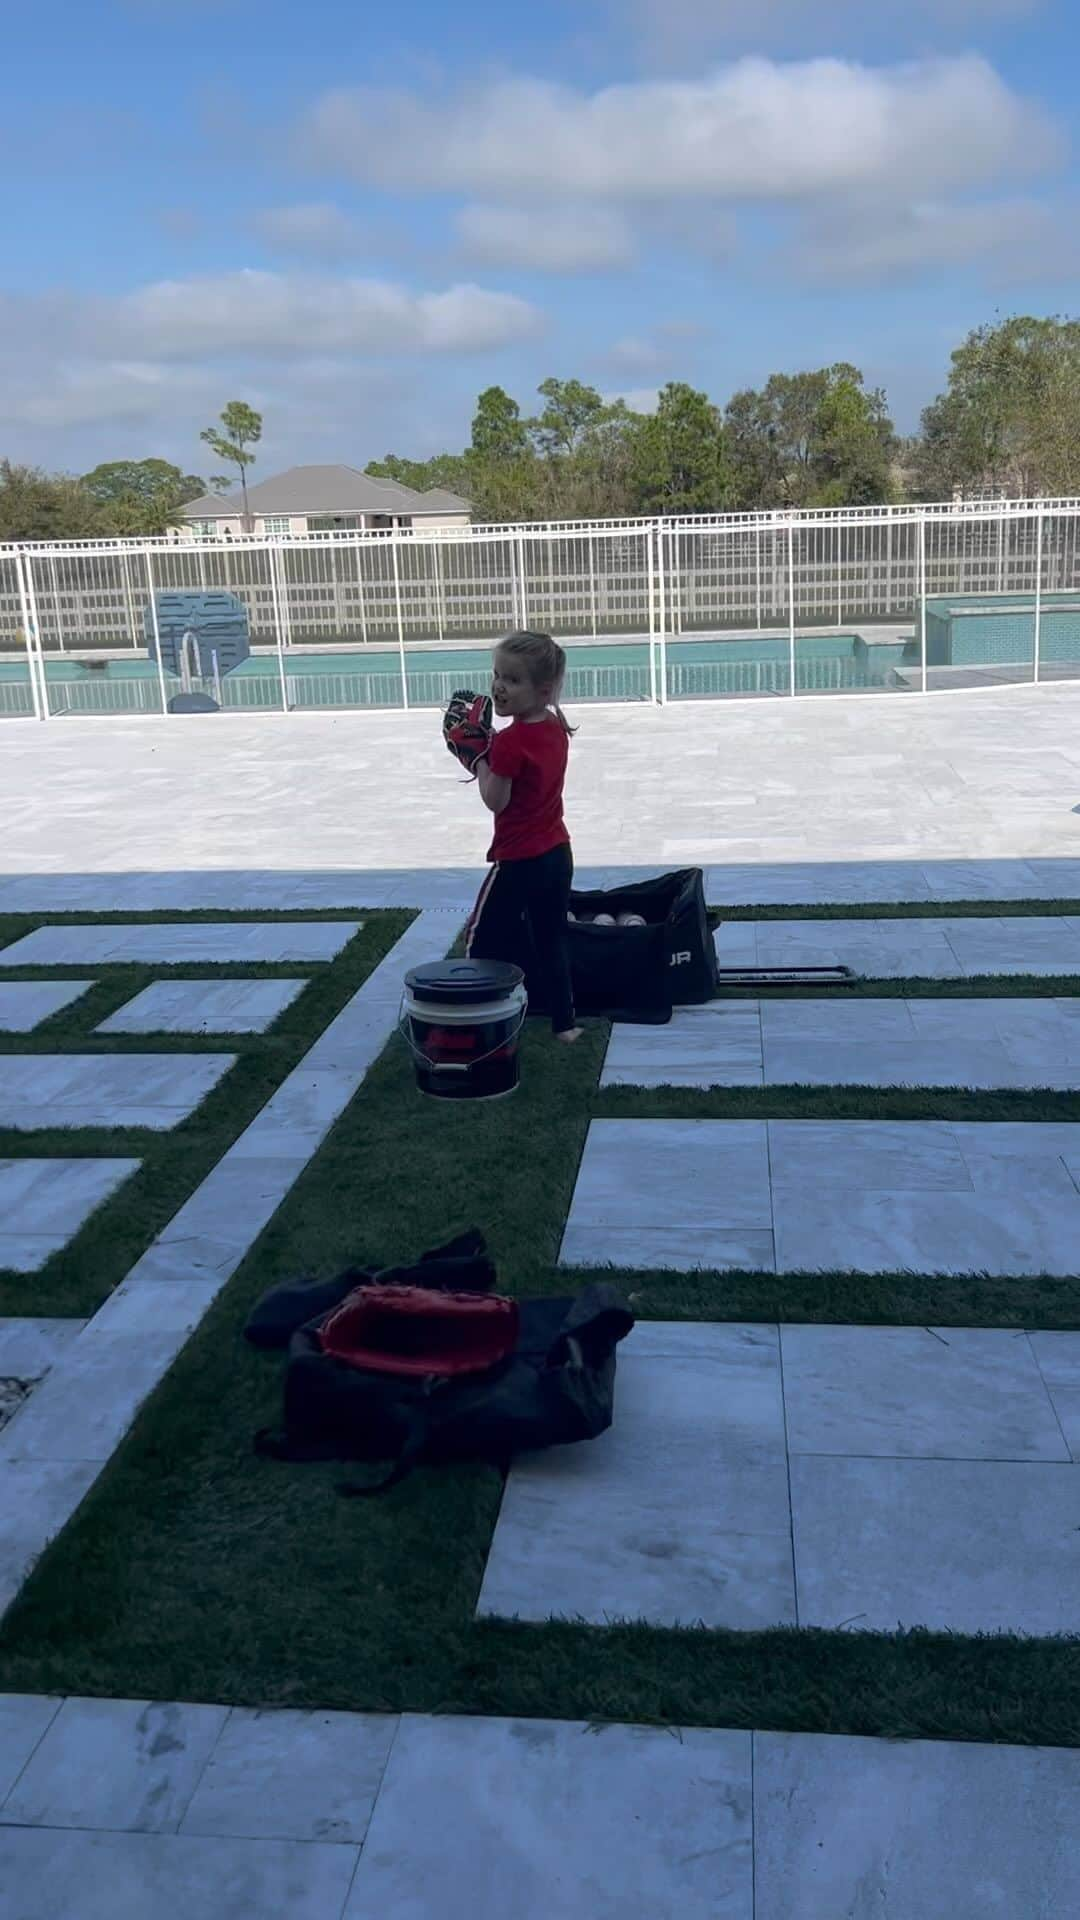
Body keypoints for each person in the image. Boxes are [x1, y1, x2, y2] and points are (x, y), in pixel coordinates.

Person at [465, 630, 583, 1044]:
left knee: (481, 940)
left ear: (543, 688)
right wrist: (491, 751)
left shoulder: (511, 741)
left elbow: (495, 800)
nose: (499, 685)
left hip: (518, 861)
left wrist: (479, 758)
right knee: (551, 939)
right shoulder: (554, 727)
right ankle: (565, 1026)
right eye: (497, 674)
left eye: (513, 679)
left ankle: (477, 1023)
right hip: (557, 852)